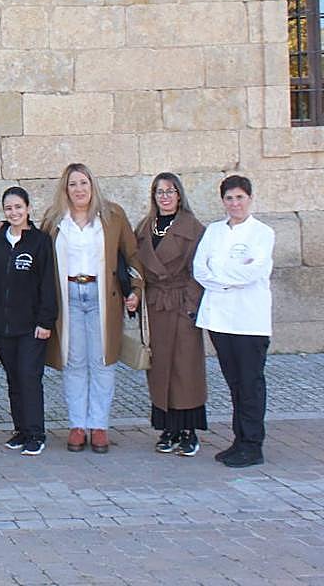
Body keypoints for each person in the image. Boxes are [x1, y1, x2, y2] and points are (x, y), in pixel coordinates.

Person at [40, 163, 142, 455]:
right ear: (65, 189)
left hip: (102, 296)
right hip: (68, 296)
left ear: (92, 185)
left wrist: (134, 290)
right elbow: (39, 253)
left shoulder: (112, 216)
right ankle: (77, 425)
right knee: (73, 362)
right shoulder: (55, 219)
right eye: (73, 184)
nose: (79, 189)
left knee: (102, 361)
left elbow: (131, 256)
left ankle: (98, 426)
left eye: (84, 183)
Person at [193, 175, 275, 468]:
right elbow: (200, 269)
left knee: (251, 383)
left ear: (250, 199)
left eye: (240, 197)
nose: (235, 203)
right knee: (234, 383)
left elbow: (254, 272)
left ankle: (253, 444)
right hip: (220, 319)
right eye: (229, 198)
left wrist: (222, 278)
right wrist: (229, 277)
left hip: (249, 320)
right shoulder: (214, 231)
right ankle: (239, 440)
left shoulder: (262, 233)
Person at [134, 173, 207, 457]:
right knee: (160, 367)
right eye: (159, 191)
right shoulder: (144, 227)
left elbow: (198, 270)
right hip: (155, 306)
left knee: (185, 369)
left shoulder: (193, 228)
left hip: (180, 303)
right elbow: (136, 266)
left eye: (170, 191)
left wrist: (190, 304)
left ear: (179, 194)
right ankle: (168, 428)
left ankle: (189, 430)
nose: (164, 196)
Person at [0, 187, 56, 456]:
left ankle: (36, 433)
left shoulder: (40, 242)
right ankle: (21, 429)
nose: (14, 212)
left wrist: (46, 320)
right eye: (8, 208)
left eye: (18, 207)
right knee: (14, 379)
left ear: (28, 208)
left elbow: (47, 284)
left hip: (31, 326)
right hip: (1, 325)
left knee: (29, 377)